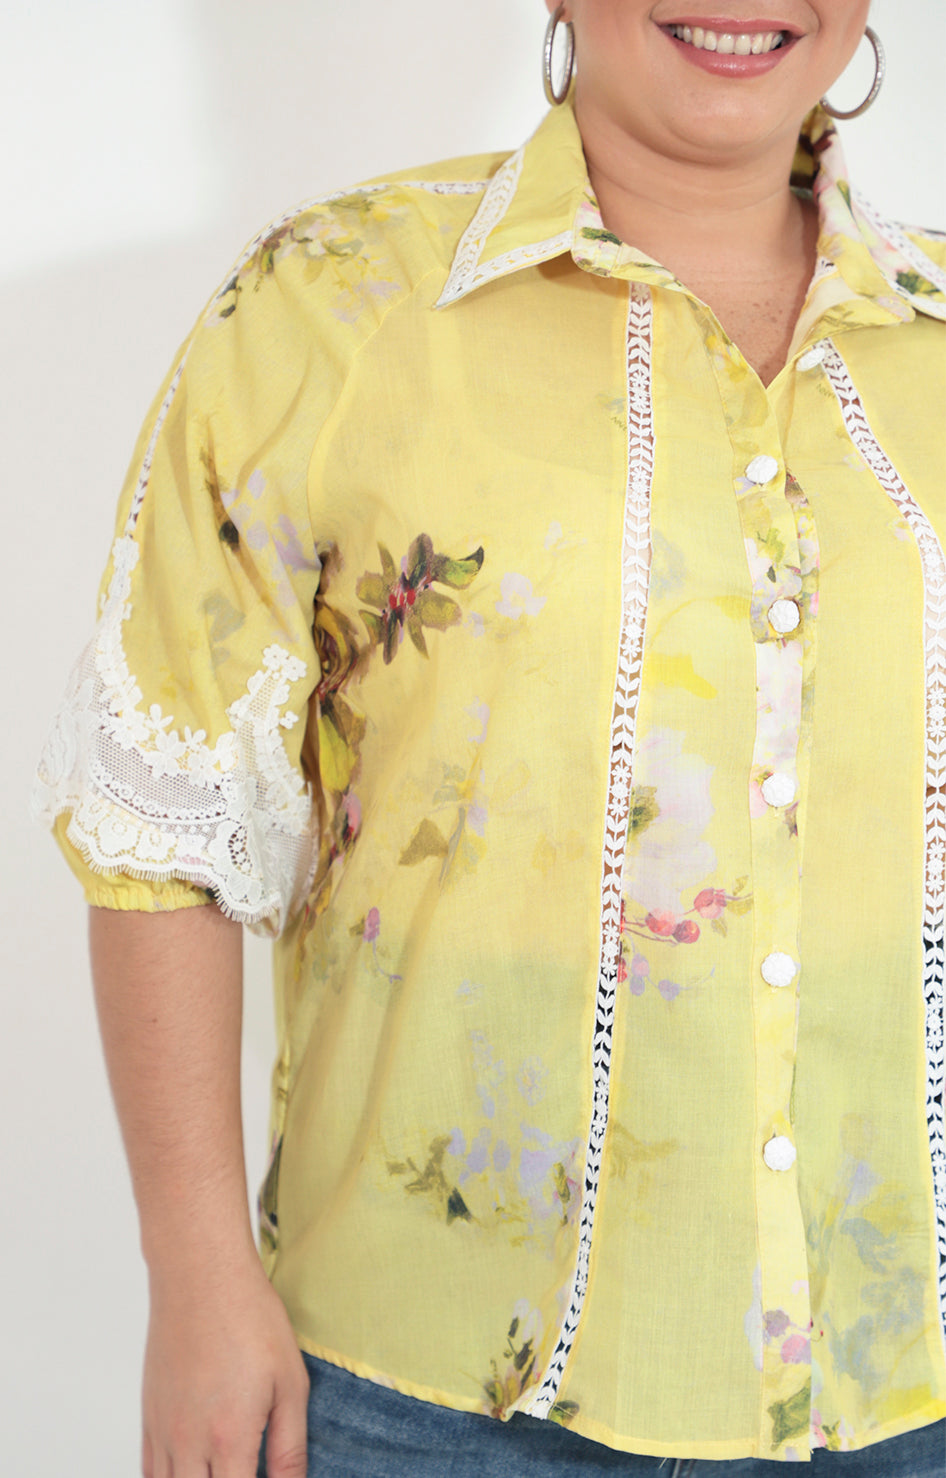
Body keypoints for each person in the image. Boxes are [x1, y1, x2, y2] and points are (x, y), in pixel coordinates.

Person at [32, 1, 946, 1474]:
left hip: (908, 1392)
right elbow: (167, 825)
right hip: (427, 1402)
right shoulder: (333, 305)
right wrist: (195, 1276)